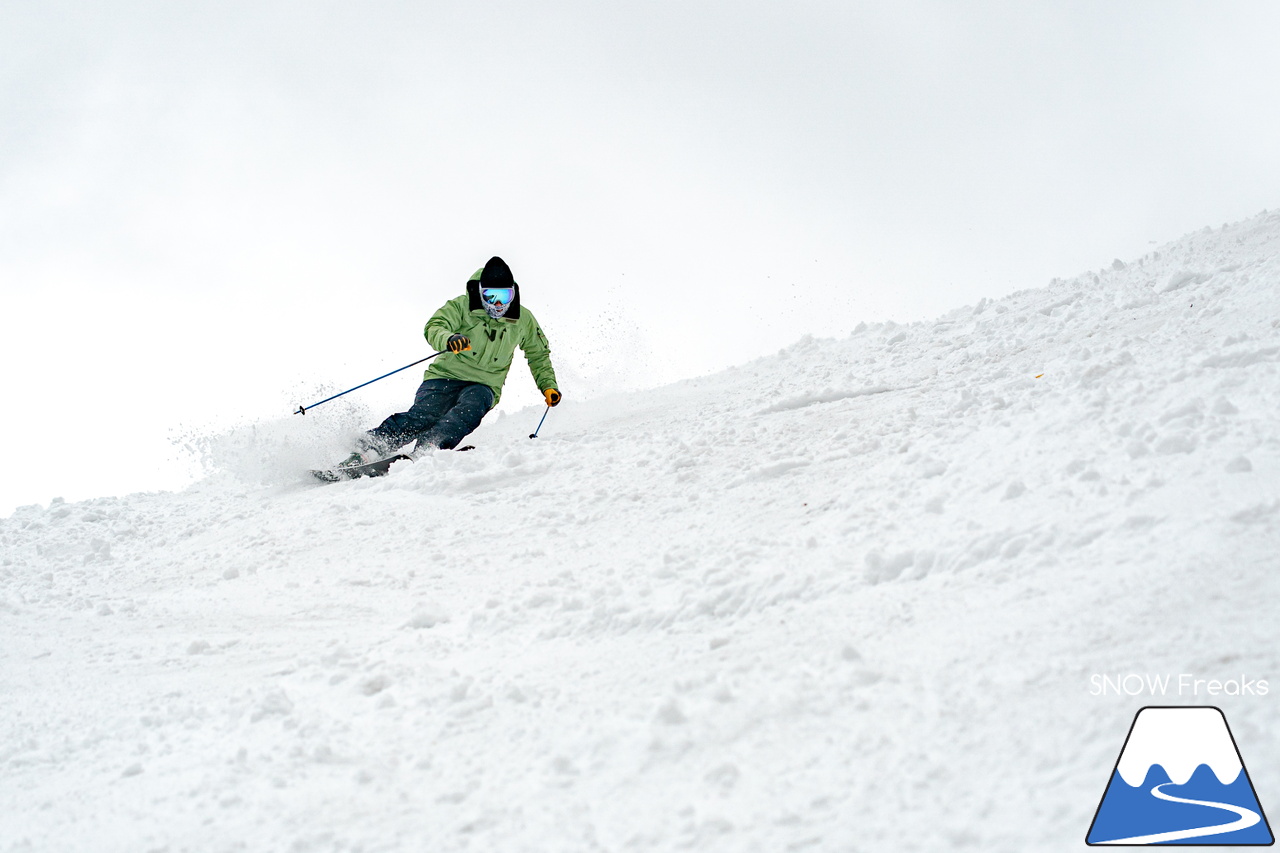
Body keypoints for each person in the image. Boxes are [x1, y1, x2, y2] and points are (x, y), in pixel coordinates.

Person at [338, 256, 560, 467]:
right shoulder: (462, 306)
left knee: (468, 411)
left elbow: (538, 353)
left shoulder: (523, 319)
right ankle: (371, 448)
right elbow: (434, 326)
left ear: (513, 294)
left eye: (505, 297)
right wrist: (449, 338)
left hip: (485, 384)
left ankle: (430, 448)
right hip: (445, 375)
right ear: (481, 292)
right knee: (424, 415)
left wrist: (548, 385)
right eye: (491, 296)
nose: (498, 304)